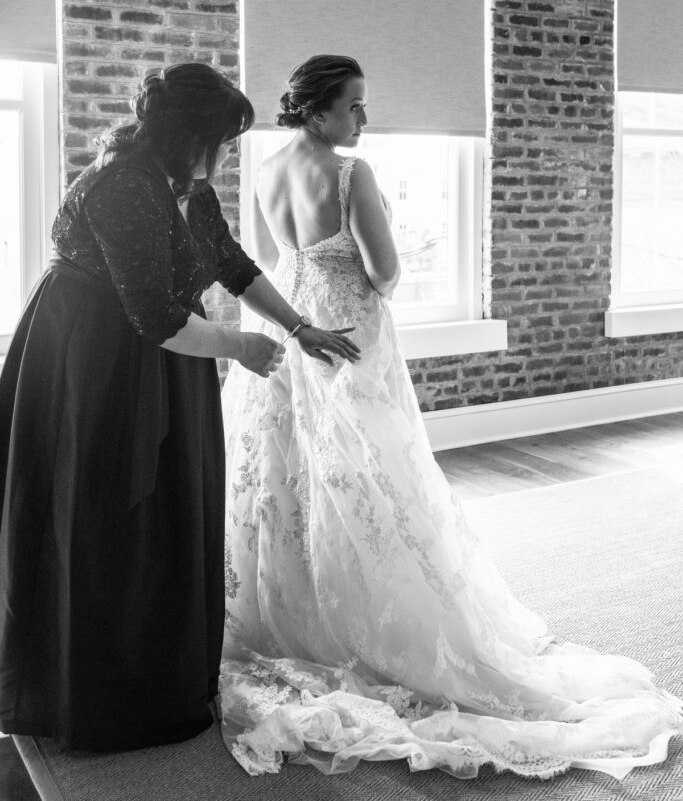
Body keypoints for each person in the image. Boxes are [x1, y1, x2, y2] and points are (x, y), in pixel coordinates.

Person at [219, 55, 683, 779]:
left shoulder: (264, 168)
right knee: (371, 474)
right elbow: (384, 273)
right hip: (345, 325)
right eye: (354, 107)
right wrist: (390, 232)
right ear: (317, 111)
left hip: (289, 320)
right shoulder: (351, 175)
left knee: (289, 473)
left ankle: (290, 607)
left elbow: (273, 257)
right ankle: (367, 615)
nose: (363, 121)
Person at [0, 62, 359, 752]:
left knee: (175, 509)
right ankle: (101, 694)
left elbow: (230, 262)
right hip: (94, 361)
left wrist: (296, 326)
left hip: (169, 351)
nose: (226, 155)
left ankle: (165, 675)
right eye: (223, 140)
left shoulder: (188, 186)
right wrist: (239, 346)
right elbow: (153, 315)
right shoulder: (123, 188)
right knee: (110, 518)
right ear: (188, 134)